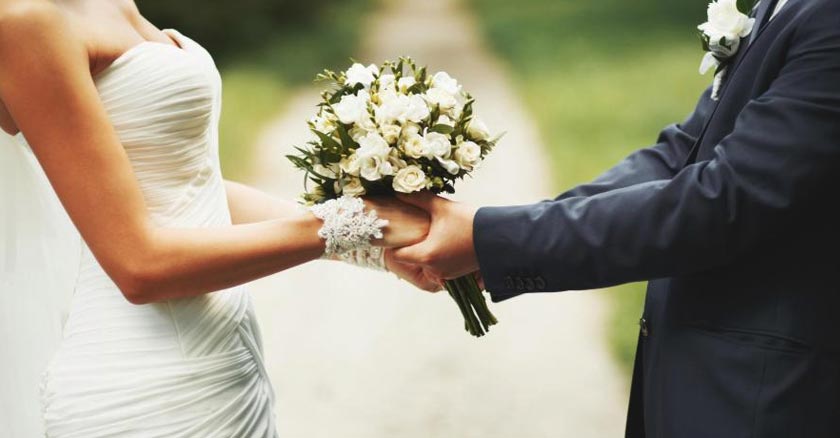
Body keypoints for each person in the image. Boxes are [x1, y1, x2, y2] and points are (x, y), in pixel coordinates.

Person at [393, 0, 840, 436]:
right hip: (701, 382)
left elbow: (724, 201)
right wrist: (501, 236)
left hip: (766, 396)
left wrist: (488, 241)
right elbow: (681, 153)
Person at [0, 0, 435, 436]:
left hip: (229, 370)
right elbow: (139, 265)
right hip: (142, 391)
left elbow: (191, 190)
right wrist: (355, 222)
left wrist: (375, 247)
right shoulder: (24, 20)